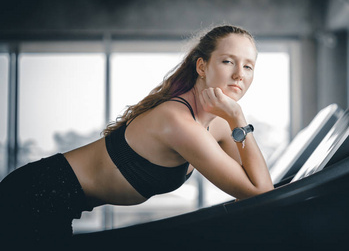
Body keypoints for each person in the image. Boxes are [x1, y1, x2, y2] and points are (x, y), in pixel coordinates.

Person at [0, 25, 274, 245]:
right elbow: (259, 194)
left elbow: (260, 190)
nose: (239, 75)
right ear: (202, 67)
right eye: (228, 61)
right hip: (34, 196)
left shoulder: (218, 126)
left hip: (56, 203)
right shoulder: (177, 120)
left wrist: (235, 122)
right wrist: (238, 116)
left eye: (248, 66)